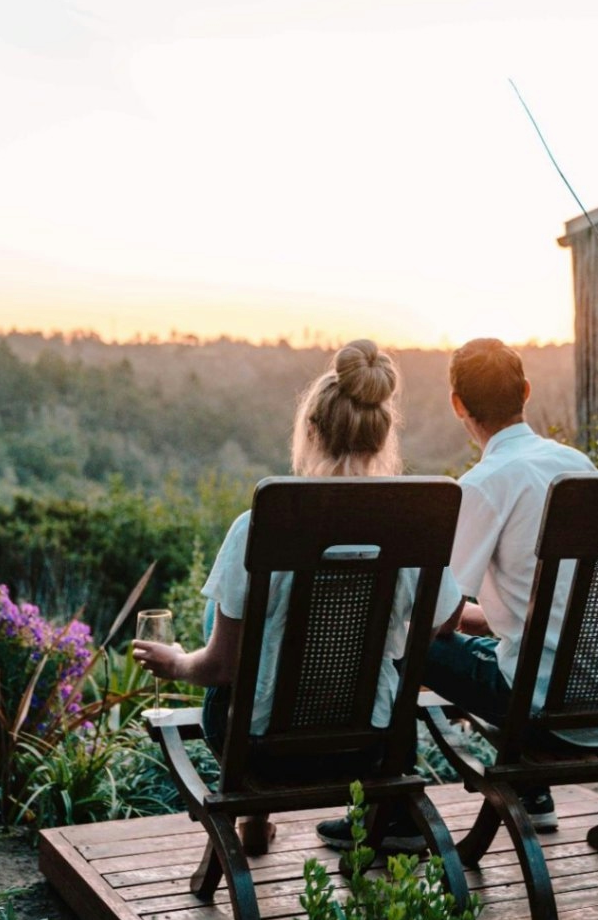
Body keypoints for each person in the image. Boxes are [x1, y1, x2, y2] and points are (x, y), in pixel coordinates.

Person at [133, 338, 463, 855]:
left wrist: (176, 665)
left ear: (311, 430)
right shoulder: (413, 530)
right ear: (381, 438)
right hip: (371, 742)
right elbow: (444, 621)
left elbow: (222, 668)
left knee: (237, 631)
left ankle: (255, 815)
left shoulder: (263, 525)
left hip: (263, 752)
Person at [378, 338, 598, 837]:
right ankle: (534, 796)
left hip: (546, 707)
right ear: (525, 391)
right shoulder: (576, 465)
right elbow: (553, 606)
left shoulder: (484, 484)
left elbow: (438, 618)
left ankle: (396, 816)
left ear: (457, 404)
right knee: (500, 647)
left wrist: (411, 618)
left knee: (400, 642)